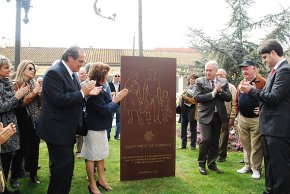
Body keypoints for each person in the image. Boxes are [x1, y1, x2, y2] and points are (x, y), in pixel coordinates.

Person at [37, 46, 100, 194]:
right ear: (70, 58)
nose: (82, 64)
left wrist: (87, 94)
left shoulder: (71, 73)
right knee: (62, 169)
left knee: (65, 168)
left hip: (66, 130)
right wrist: (82, 92)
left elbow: (74, 96)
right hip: (56, 131)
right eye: (80, 61)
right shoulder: (54, 72)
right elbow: (58, 99)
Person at [240, 39, 290, 194]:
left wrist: (252, 91)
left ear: (274, 52)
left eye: (265, 57)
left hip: (278, 128)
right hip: (269, 126)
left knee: (279, 166)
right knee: (269, 163)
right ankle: (269, 190)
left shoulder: (285, 70)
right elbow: (268, 96)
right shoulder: (274, 71)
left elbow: (274, 97)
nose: (264, 61)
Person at [81, 62, 128, 194]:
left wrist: (114, 98)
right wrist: (116, 100)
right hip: (93, 128)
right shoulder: (94, 88)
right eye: (107, 73)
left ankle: (102, 181)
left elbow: (106, 104)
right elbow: (103, 110)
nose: (108, 76)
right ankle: (92, 185)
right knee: (91, 157)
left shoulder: (102, 86)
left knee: (100, 155)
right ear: (101, 74)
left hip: (100, 127)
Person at [193, 60, 232, 175]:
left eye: (210, 70)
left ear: (216, 71)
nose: (208, 72)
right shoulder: (200, 81)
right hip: (205, 116)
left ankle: (212, 163)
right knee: (205, 139)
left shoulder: (223, 82)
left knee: (215, 141)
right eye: (206, 70)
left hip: (218, 116)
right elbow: (197, 97)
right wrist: (213, 93)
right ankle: (201, 164)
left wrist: (220, 91)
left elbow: (228, 97)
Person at [0, 56, 29, 194]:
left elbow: (14, 105)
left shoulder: (7, 82)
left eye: (10, 66)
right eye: (6, 67)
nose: (10, 69)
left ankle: (4, 187)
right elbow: (2, 106)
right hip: (2, 125)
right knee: (3, 158)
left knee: (8, 157)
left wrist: (21, 96)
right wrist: (17, 96)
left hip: (11, 123)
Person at [12, 60, 42, 185]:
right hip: (22, 120)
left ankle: (33, 175)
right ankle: (14, 177)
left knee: (34, 149)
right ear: (22, 69)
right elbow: (19, 104)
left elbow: (39, 104)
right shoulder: (16, 84)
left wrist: (40, 94)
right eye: (30, 68)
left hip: (35, 120)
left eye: (33, 69)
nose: (33, 71)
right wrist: (34, 92)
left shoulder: (34, 83)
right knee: (20, 150)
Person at [236, 60, 266, 179]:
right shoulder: (242, 82)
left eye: (246, 68)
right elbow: (237, 99)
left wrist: (262, 109)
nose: (244, 71)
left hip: (256, 120)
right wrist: (237, 113)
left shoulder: (262, 82)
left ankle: (256, 169)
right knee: (246, 143)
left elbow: (268, 98)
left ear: (254, 68)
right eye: (243, 69)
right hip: (242, 118)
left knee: (256, 145)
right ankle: (248, 165)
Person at [216, 68, 237, 162]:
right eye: (217, 75)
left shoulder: (231, 87)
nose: (219, 77)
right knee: (214, 136)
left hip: (226, 115)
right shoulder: (214, 86)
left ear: (225, 76)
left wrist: (232, 117)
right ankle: (214, 153)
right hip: (215, 115)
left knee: (223, 136)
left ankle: (221, 155)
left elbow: (234, 103)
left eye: (221, 75)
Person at [179, 74, 198, 150]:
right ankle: (183, 145)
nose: (192, 80)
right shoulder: (186, 88)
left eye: (194, 79)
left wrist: (186, 97)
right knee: (183, 128)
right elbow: (181, 97)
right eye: (191, 78)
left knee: (193, 128)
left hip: (192, 110)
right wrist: (181, 97)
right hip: (184, 109)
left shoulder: (197, 89)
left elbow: (195, 100)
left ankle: (192, 145)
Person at [75, 67, 88, 158]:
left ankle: (86, 151)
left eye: (84, 73)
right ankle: (79, 151)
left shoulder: (89, 83)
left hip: (87, 110)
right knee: (79, 133)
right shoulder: (76, 84)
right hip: (79, 110)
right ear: (78, 75)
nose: (83, 75)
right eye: (81, 73)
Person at [108, 73, 121, 140]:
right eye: (116, 76)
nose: (117, 77)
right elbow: (107, 93)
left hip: (119, 104)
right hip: (111, 104)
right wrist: (112, 93)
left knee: (119, 121)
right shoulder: (108, 84)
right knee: (110, 120)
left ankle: (117, 136)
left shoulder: (122, 85)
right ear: (113, 77)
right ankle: (108, 136)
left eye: (119, 76)